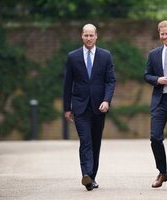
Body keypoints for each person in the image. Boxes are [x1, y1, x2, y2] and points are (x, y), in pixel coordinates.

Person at [63, 24, 116, 191]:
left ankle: (92, 177)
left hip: (99, 106)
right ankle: (86, 174)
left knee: (95, 142)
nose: (88, 38)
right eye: (85, 35)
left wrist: (107, 100)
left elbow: (110, 81)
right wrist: (67, 108)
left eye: (91, 35)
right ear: (81, 36)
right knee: (85, 141)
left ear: (96, 36)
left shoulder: (105, 56)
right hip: (80, 107)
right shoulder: (73, 56)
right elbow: (67, 83)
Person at [144, 20, 167, 189]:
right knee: (155, 137)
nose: (164, 36)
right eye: (162, 34)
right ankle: (162, 172)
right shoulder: (154, 54)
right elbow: (146, 75)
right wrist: (157, 80)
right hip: (160, 101)